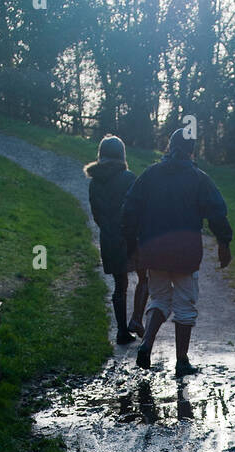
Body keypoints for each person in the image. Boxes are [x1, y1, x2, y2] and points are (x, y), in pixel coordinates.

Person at [121, 127, 232, 376]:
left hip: (155, 251)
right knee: (185, 305)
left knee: (159, 299)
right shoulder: (199, 178)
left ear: (169, 147)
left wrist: (133, 245)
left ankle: (147, 343)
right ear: (192, 151)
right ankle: (181, 361)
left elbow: (129, 209)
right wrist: (224, 243)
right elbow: (217, 212)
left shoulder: (150, 175)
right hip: (185, 254)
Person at [85, 135, 149, 346]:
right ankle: (136, 319)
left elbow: (96, 214)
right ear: (121, 155)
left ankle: (122, 331)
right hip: (131, 238)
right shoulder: (129, 178)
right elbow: (138, 210)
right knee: (144, 278)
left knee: (119, 285)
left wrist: (109, 230)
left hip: (109, 238)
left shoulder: (94, 183)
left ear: (101, 155)